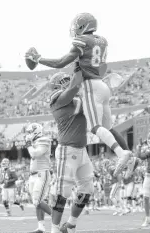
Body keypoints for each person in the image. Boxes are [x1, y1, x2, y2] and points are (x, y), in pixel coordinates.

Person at [26, 13, 132, 176]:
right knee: (109, 128)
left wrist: (39, 59)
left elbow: (61, 62)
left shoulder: (82, 41)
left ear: (83, 26)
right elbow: (98, 65)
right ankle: (131, 158)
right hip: (102, 85)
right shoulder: (102, 41)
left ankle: (121, 153)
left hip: (91, 86)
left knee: (95, 127)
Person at [48, 71, 94, 233]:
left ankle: (70, 225)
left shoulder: (75, 98)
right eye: (65, 81)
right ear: (56, 86)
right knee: (63, 191)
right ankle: (54, 229)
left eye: (69, 80)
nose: (68, 83)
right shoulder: (58, 100)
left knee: (87, 189)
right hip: (67, 150)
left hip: (82, 150)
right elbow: (76, 92)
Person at [25, 123, 52, 233]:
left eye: (30, 131)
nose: (28, 134)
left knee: (37, 200)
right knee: (36, 202)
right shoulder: (34, 142)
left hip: (42, 173)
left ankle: (57, 219)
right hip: (33, 175)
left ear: (36, 131)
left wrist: (28, 144)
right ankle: (41, 227)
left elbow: (35, 154)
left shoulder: (44, 140)